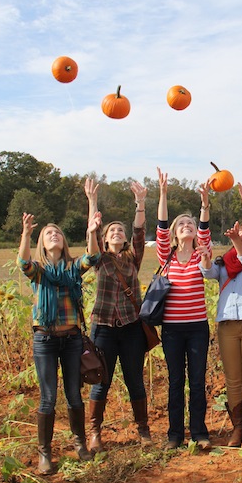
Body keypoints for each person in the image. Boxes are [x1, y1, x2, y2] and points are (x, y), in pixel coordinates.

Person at [17, 190, 101, 476]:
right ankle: (45, 454)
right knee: (48, 397)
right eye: (48, 232)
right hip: (45, 340)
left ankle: (79, 444)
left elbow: (92, 256)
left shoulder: (72, 268)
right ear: (42, 242)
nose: (54, 234)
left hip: (72, 339)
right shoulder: (39, 271)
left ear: (64, 241)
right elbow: (23, 264)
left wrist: (91, 219)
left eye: (58, 232)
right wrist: (26, 234)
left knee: (74, 396)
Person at [86, 179, 152, 451]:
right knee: (101, 381)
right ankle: (94, 433)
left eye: (119, 230)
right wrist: (92, 201)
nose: (116, 232)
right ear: (104, 238)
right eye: (112, 230)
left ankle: (143, 430)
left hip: (131, 329)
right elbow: (92, 235)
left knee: (134, 380)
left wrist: (140, 203)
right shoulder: (99, 258)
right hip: (103, 328)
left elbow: (139, 231)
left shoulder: (132, 258)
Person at [155, 167, 213, 450]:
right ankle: (175, 434)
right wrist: (163, 193)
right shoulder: (167, 256)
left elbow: (204, 232)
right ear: (176, 235)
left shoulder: (201, 254)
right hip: (173, 330)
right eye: (182, 225)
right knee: (176, 380)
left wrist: (204, 205)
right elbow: (161, 228)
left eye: (190, 224)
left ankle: (199, 432)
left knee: (198, 380)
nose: (187, 227)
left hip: (198, 328)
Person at [200, 219, 242, 448]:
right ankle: (237, 427)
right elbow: (208, 273)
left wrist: (238, 240)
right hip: (227, 324)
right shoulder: (223, 264)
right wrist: (205, 259)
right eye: (240, 234)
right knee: (232, 379)